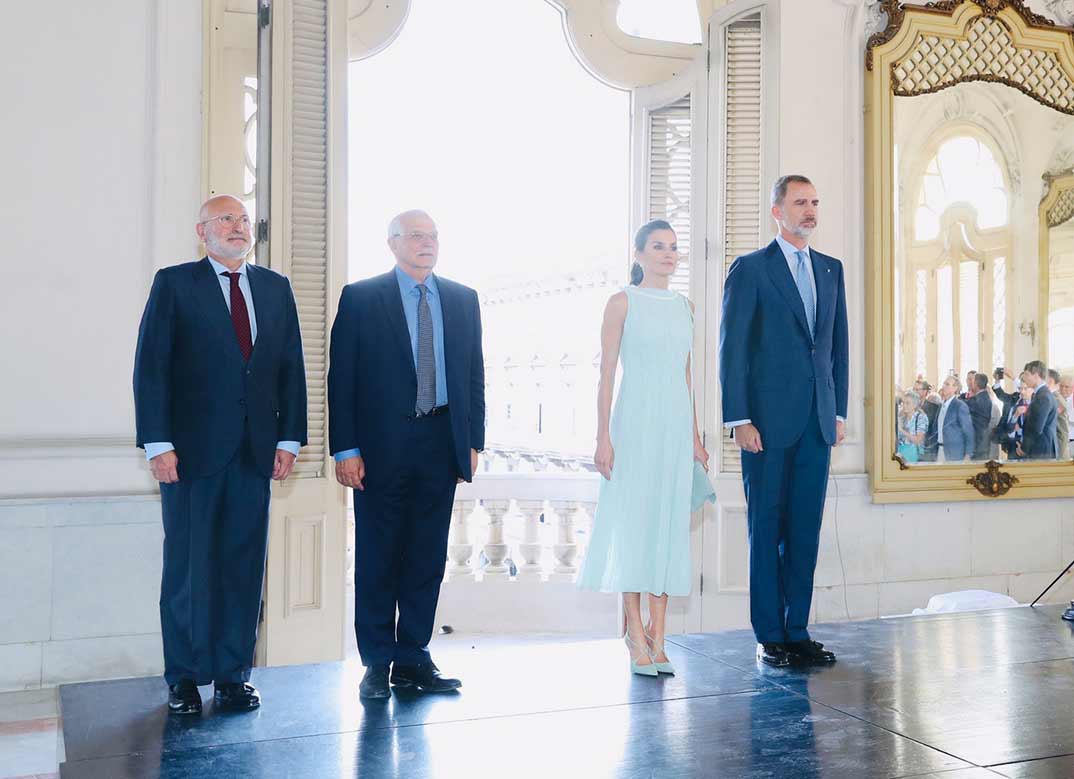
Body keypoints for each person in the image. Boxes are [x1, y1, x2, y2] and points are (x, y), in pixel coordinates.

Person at [133, 195, 308, 715]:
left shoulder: (275, 289)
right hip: (189, 456)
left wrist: (290, 438)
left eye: (243, 219)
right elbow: (152, 368)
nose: (238, 226)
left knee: (243, 567)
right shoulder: (174, 283)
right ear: (202, 231)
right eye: (226, 219)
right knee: (188, 570)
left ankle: (233, 676)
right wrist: (158, 444)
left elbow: (290, 369)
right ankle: (184, 679)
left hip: (256, 454)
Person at [329, 210, 485, 700]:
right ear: (393, 244)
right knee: (378, 556)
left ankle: (414, 657)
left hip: (441, 443)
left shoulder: (463, 299)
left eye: (433, 235)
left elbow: (474, 375)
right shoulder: (361, 297)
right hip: (378, 449)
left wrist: (473, 441)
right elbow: (342, 378)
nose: (427, 243)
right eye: (416, 235)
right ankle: (377, 662)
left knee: (425, 557)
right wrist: (346, 448)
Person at [719, 174, 848, 668]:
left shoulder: (831, 270)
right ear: (778, 211)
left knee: (805, 531)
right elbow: (733, 351)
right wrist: (740, 419)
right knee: (766, 528)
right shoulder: (750, 269)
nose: (809, 210)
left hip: (817, 425)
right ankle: (769, 635)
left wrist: (837, 412)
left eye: (814, 202)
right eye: (800, 202)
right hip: (766, 428)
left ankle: (797, 631)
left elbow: (837, 349)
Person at [578, 220, 713, 677]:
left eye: (674, 248)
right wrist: (602, 436)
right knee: (637, 527)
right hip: (633, 424)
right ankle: (635, 632)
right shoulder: (621, 303)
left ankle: (660, 634)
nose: (668, 255)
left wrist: (694, 436)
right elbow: (607, 374)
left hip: (675, 427)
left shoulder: (685, 307)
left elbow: (686, 376)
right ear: (638, 254)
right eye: (658, 247)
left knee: (669, 526)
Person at [1020, 360, 1058, 460]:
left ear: (1036, 376)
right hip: (1041, 449)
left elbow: (1036, 428)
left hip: (1041, 450)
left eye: (1027, 374)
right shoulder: (1041, 394)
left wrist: (1024, 448)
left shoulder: (1043, 396)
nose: (1024, 378)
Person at [936, 376, 974, 462]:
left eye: (947, 384)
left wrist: (968, 455)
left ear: (955, 388)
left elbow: (969, 432)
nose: (944, 386)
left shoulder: (960, 406)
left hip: (955, 453)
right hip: (939, 450)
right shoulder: (941, 406)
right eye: (944, 384)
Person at [966, 373, 993, 460]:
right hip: (981, 442)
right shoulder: (982, 397)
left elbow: (965, 404)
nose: (970, 384)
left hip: (979, 443)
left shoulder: (980, 399)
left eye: (972, 381)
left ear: (976, 384)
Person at [896, 391, 928, 463]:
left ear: (915, 405)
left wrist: (901, 430)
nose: (904, 405)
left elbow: (918, 440)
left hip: (913, 454)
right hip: (900, 453)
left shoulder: (921, 418)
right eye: (903, 402)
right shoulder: (901, 416)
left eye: (907, 403)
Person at [914, 380, 941, 461]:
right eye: (914, 389)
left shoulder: (934, 408)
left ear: (925, 391)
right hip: (912, 447)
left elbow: (934, 430)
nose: (914, 392)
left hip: (927, 448)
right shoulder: (909, 407)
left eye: (917, 390)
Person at [1046, 368, 1069, 459]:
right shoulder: (1051, 397)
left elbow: (1062, 431)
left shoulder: (1056, 399)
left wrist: (1058, 455)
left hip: (1058, 449)